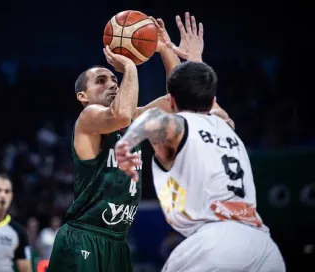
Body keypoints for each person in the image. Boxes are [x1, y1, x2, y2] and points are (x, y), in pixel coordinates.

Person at [48, 12, 228, 272]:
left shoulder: (133, 120)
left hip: (117, 241)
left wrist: (163, 49)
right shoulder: (88, 118)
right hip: (84, 236)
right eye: (101, 81)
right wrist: (130, 66)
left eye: (113, 79)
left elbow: (179, 102)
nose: (112, 83)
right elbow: (120, 114)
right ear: (82, 96)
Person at [114, 14, 286, 272]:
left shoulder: (179, 127)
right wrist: (191, 59)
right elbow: (196, 95)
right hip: (263, 246)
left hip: (214, 242)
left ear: (171, 102)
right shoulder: (227, 125)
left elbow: (153, 121)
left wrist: (126, 144)